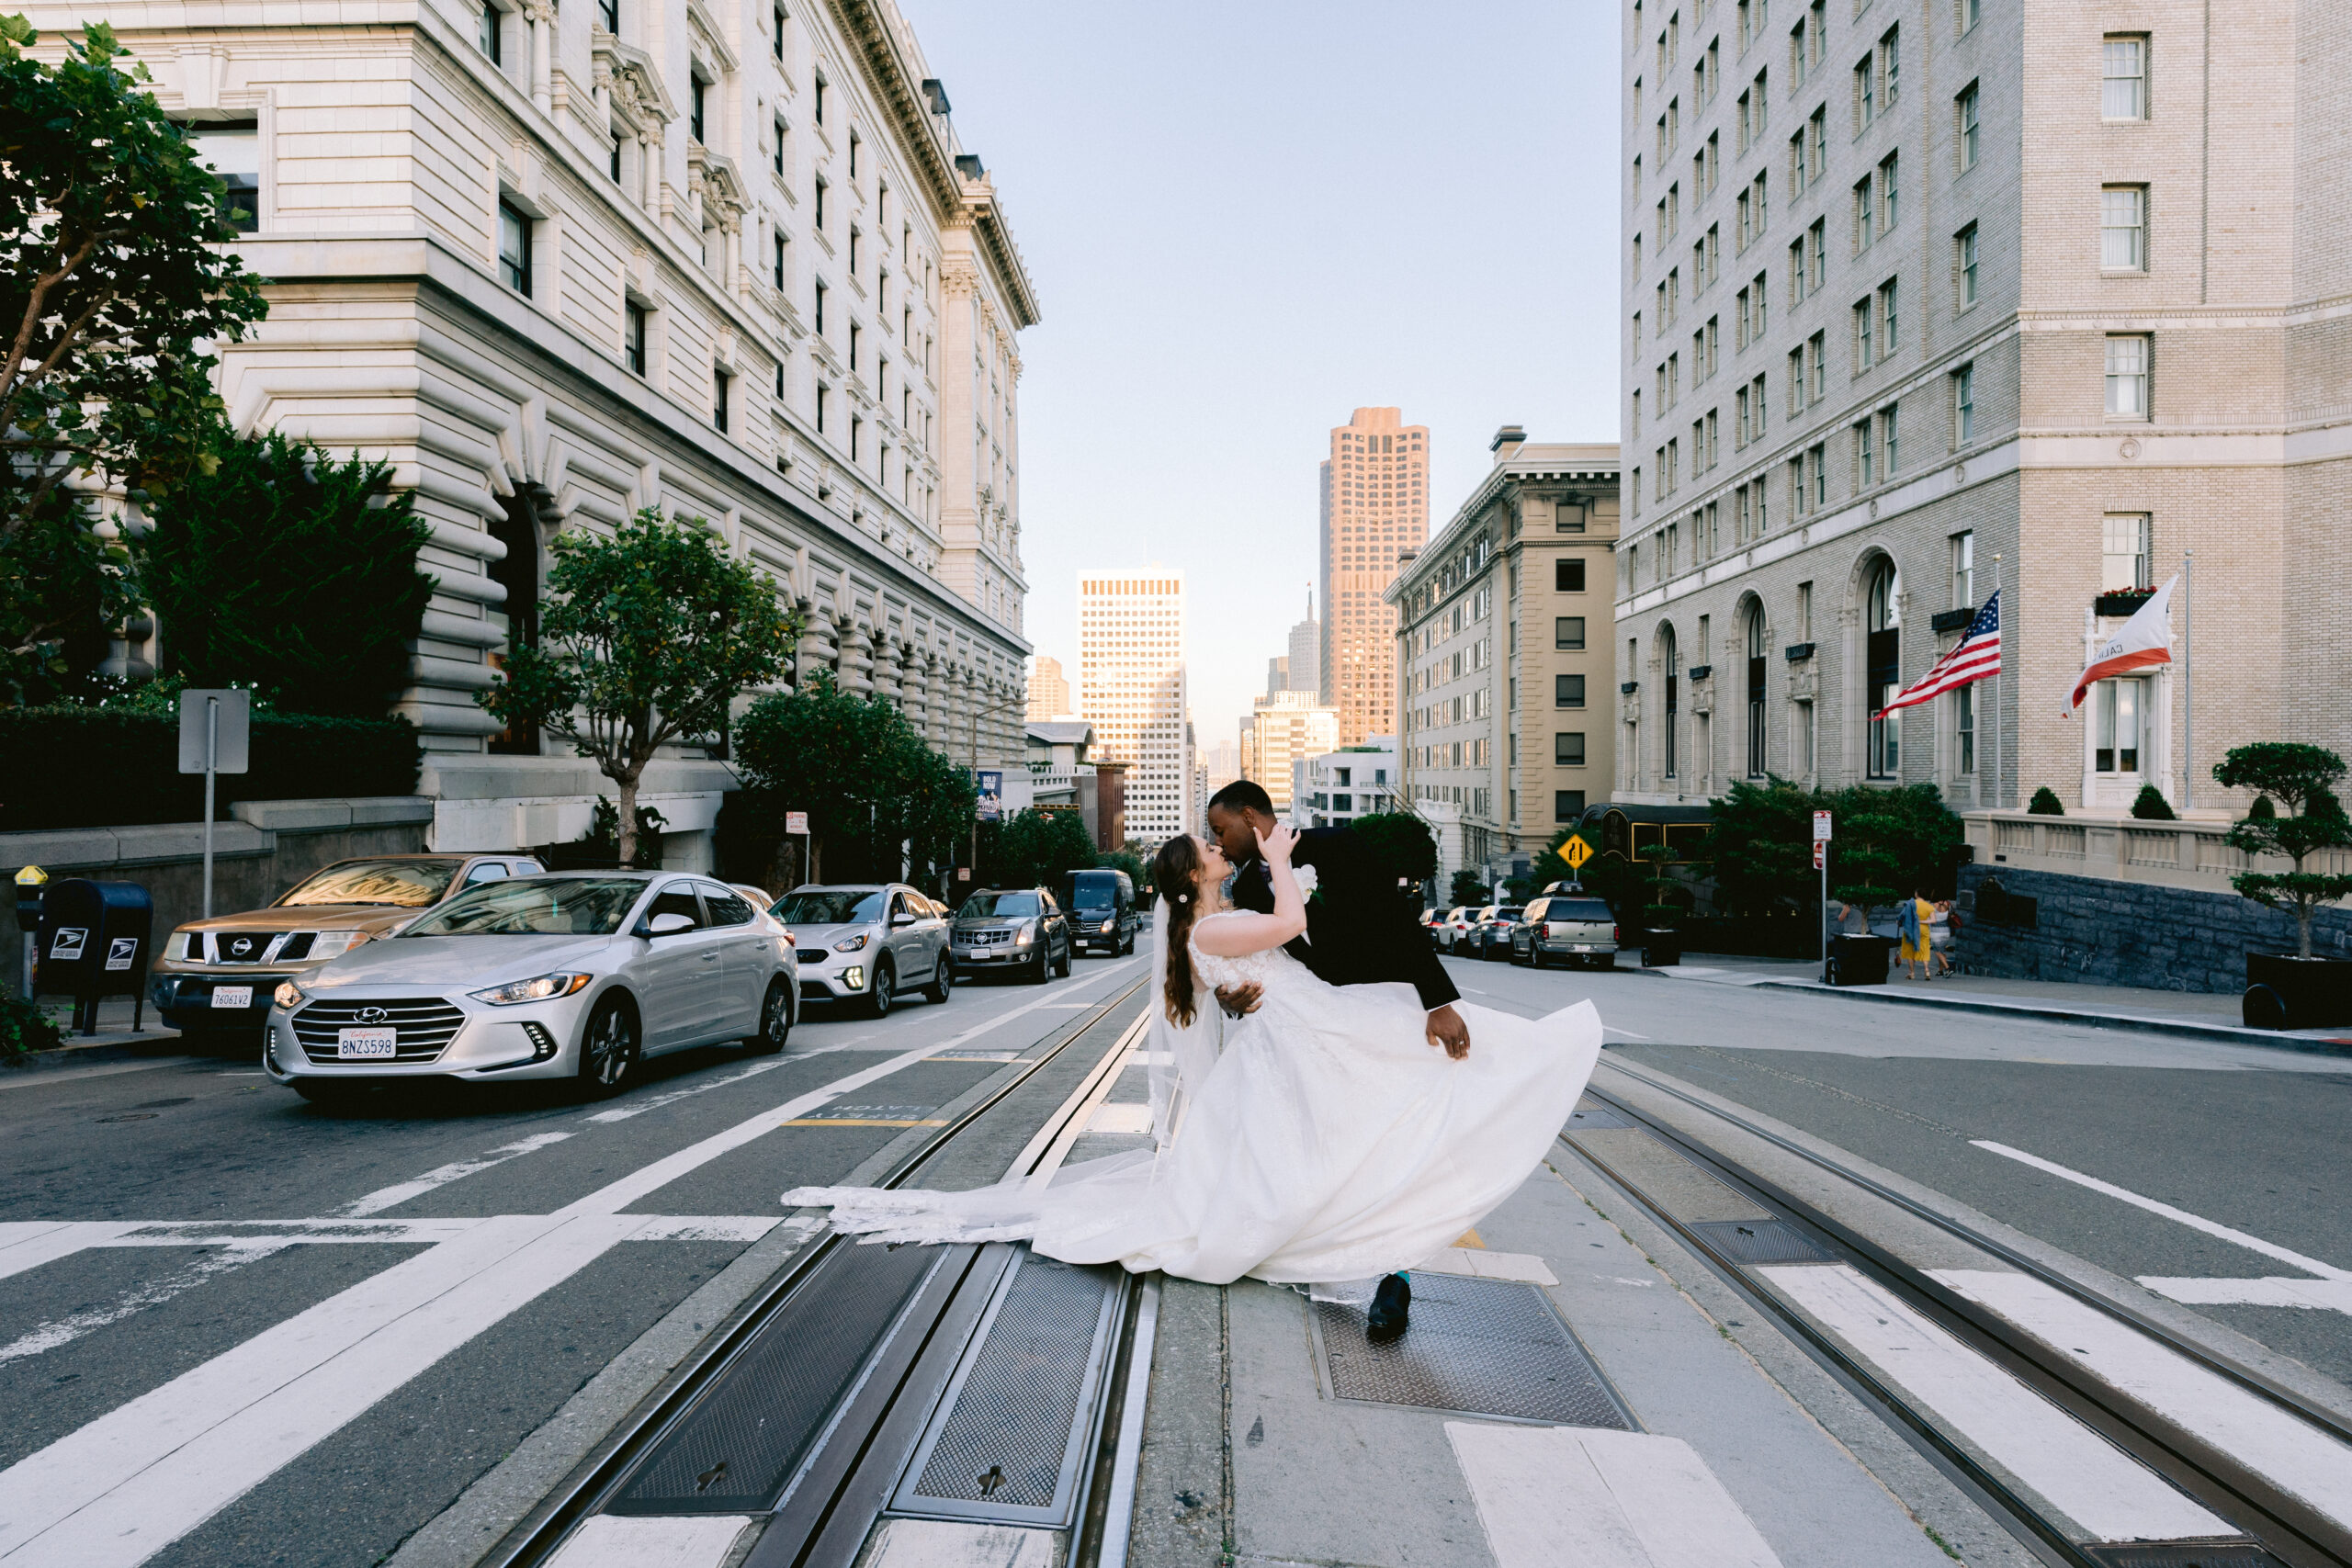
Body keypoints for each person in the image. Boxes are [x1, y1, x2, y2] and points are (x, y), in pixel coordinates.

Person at [782, 816, 1600, 1346]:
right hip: (1303, 1032)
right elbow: (1288, 924)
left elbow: (1278, 952)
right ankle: (1370, 1232)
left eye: (1220, 840)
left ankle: (1378, 1237)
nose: (1221, 848)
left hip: (1303, 1023)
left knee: (1348, 1122)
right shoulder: (1212, 919)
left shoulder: (1206, 924)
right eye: (1210, 848)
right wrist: (1282, 859)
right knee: (1366, 1116)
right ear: (1193, 876)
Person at [1897, 886, 1932, 979]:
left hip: (1911, 928)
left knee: (1910, 951)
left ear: (1916, 894)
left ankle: (1912, 973)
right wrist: (1921, 921)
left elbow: (1903, 915)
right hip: (1924, 930)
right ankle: (1927, 970)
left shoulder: (1910, 904)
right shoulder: (1929, 906)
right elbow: (1933, 920)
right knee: (1924, 949)